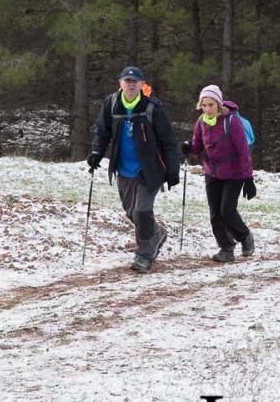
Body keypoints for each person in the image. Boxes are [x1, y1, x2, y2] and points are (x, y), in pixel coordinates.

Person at [87, 66, 181, 273]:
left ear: (142, 84)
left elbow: (168, 141)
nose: (131, 84)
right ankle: (156, 232)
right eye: (127, 81)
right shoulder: (111, 104)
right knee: (132, 212)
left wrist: (173, 170)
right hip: (123, 169)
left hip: (150, 170)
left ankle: (144, 254)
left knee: (142, 210)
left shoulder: (153, 108)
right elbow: (102, 132)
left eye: (134, 81)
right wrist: (96, 153)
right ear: (120, 83)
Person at [180, 85, 256, 263]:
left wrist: (248, 179)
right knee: (215, 213)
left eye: (211, 105)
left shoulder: (232, 122)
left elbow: (244, 152)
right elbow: (197, 147)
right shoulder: (201, 121)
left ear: (218, 104)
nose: (207, 109)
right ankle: (226, 248)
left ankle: (245, 236)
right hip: (212, 172)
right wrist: (187, 148)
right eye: (204, 105)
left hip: (234, 173)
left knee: (227, 210)